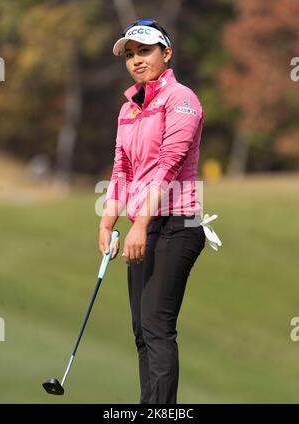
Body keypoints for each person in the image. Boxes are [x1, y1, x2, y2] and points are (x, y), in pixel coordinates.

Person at [99, 19, 220, 404]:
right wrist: (108, 221)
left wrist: (141, 224)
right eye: (130, 54)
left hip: (178, 225)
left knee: (156, 327)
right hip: (145, 226)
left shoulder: (182, 99)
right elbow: (122, 169)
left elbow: (169, 164)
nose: (136, 60)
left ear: (166, 54)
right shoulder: (129, 109)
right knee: (141, 330)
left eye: (145, 51)